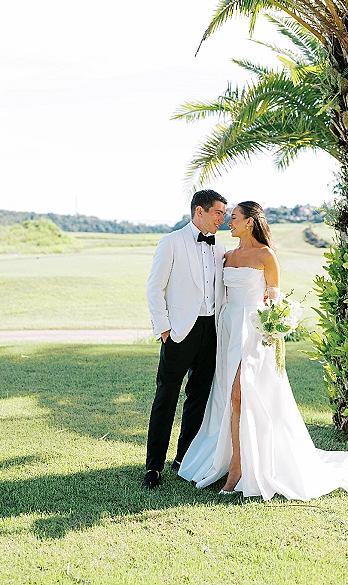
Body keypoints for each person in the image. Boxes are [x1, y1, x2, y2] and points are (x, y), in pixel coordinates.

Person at [179, 201, 348, 500]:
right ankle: (233, 458)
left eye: (233, 218)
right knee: (229, 396)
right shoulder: (228, 255)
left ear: (249, 222)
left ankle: (238, 467)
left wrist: (275, 327)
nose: (227, 222)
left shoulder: (266, 255)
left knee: (239, 393)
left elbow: (276, 299)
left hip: (255, 332)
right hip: (229, 329)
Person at [141, 189, 227, 489]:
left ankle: (184, 458)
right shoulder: (171, 242)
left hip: (210, 332)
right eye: (218, 212)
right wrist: (164, 328)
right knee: (166, 397)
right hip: (179, 332)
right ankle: (153, 468)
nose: (223, 218)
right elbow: (155, 289)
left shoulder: (220, 247)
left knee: (199, 398)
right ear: (199, 211)